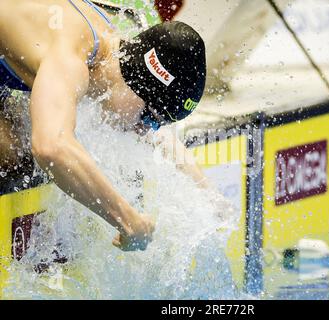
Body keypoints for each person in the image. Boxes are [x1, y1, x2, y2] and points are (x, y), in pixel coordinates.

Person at [0, 0, 209, 251]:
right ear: (136, 83)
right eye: (149, 118)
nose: (144, 129)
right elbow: (51, 147)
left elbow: (161, 138)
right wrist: (128, 220)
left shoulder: (111, 54)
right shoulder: (72, 58)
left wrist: (210, 197)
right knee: (13, 151)